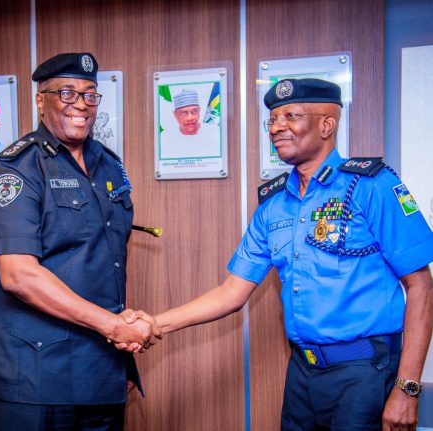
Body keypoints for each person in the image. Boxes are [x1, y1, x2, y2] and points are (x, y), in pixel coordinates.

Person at [127, 78, 433, 430]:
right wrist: (154, 324)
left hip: (364, 372)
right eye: (272, 119)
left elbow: (421, 287)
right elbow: (231, 292)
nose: (276, 127)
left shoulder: (370, 187)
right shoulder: (273, 207)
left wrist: (407, 389)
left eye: (290, 116)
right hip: (303, 372)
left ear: (326, 125)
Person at [0, 52, 160, 431]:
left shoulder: (108, 164)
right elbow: (20, 276)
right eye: (67, 94)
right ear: (41, 99)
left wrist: (119, 363)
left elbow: (102, 267)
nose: (81, 105)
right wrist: (115, 328)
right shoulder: (16, 169)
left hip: (99, 371)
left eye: (89, 95)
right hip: (33, 376)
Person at [159, 88, 220, 159]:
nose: (190, 118)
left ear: (199, 111)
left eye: (195, 111)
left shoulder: (215, 132)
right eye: (184, 113)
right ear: (175, 114)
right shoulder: (164, 138)